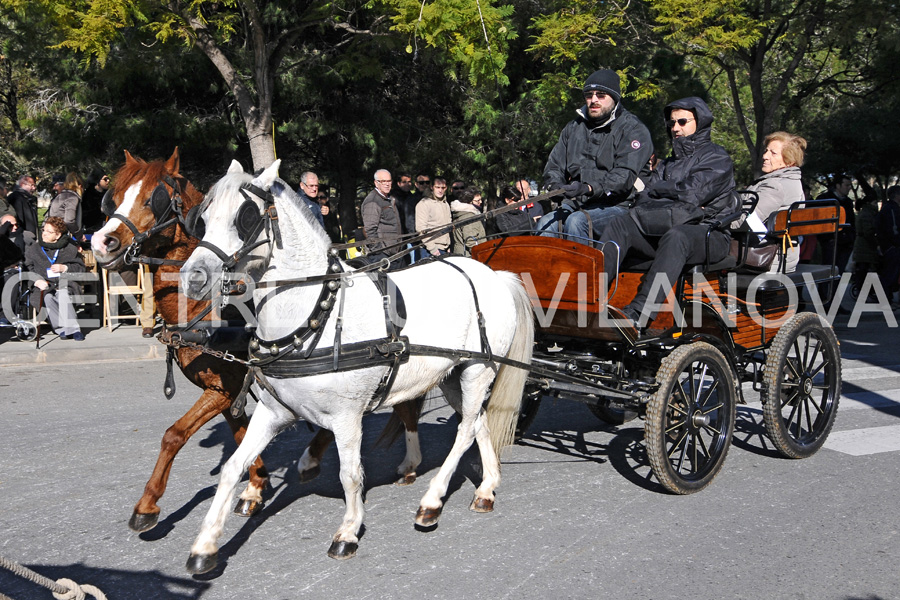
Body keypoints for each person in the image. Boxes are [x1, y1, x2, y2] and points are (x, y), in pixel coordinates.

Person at [600, 96, 736, 333]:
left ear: (700, 121)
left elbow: (692, 194)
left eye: (682, 121)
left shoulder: (718, 158)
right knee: (621, 223)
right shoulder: (667, 164)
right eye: (672, 123)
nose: (675, 128)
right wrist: (669, 192)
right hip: (664, 228)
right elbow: (645, 197)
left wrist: (661, 189)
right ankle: (590, 298)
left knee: (678, 236)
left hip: (710, 233)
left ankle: (639, 312)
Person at [536, 69, 654, 243]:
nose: (594, 100)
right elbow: (554, 165)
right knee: (545, 223)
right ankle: (546, 270)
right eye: (589, 95)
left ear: (615, 98)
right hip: (578, 203)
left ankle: (582, 271)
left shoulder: (633, 129)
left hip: (620, 206)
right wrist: (555, 185)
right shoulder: (573, 128)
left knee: (578, 222)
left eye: (601, 95)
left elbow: (624, 176)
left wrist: (589, 188)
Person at [731, 131, 807, 272]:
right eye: (766, 151)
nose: (765, 156)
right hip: (782, 254)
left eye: (773, 153)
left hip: (767, 257)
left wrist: (716, 220)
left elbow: (748, 222)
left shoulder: (775, 185)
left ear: (789, 160)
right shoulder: (792, 181)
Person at [23, 216, 86, 340]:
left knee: (63, 294)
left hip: (66, 284)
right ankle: (61, 329)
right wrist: (36, 280)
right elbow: (27, 269)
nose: (44, 234)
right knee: (47, 297)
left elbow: (80, 269)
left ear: (57, 235)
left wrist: (65, 268)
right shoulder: (34, 249)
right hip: (45, 285)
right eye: (44, 230)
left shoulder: (69, 248)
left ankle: (74, 329)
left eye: (49, 231)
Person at [361, 169, 404, 267]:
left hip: (395, 252)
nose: (387, 184)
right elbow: (369, 230)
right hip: (383, 255)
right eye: (383, 181)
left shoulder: (389, 199)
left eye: (389, 181)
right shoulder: (373, 201)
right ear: (376, 183)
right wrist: (379, 251)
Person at [817, 174, 855, 273]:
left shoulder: (848, 202)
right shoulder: (825, 199)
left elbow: (851, 221)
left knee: (839, 271)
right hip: (831, 241)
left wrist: (851, 238)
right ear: (838, 186)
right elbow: (819, 221)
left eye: (850, 186)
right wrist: (826, 239)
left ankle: (836, 289)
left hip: (846, 242)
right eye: (846, 185)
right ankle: (824, 288)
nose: (849, 188)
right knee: (827, 271)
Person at [415, 177, 452, 256]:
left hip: (444, 248)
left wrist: (448, 245)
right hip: (430, 250)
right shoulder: (424, 204)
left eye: (443, 187)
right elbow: (421, 229)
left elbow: (448, 226)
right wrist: (432, 248)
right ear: (432, 187)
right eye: (437, 187)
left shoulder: (445, 203)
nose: (440, 190)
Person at [876, 186, 900, 307]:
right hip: (892, 247)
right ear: (897, 195)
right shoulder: (892, 209)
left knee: (890, 274)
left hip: (889, 246)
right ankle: (886, 300)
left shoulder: (887, 208)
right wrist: (894, 244)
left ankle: (887, 299)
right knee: (890, 274)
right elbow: (893, 229)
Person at [450, 187, 487, 256]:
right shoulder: (469, 216)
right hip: (467, 257)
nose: (480, 202)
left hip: (461, 254)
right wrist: (480, 255)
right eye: (477, 200)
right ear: (469, 202)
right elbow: (470, 241)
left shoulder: (463, 213)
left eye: (480, 199)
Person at [47, 172, 84, 241]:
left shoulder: (59, 196)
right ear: (79, 186)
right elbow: (69, 220)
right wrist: (79, 235)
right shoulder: (72, 198)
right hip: (61, 236)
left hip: (51, 233)